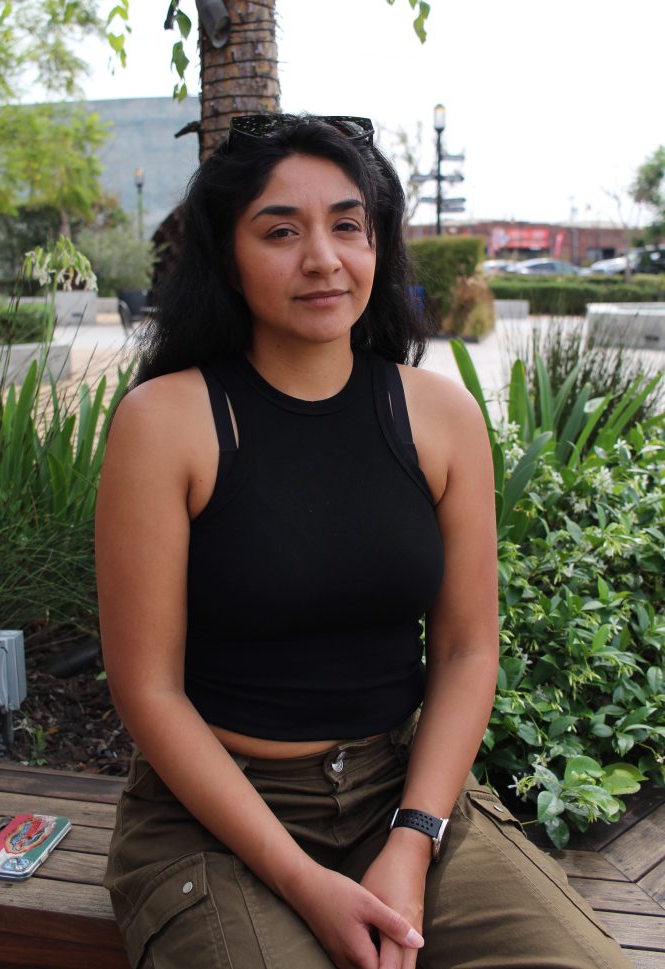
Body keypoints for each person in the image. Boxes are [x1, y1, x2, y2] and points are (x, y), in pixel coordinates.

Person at [96, 113, 632, 969]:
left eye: (348, 225)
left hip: (403, 796)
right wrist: (306, 880)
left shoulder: (441, 416)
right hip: (218, 819)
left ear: (378, 243)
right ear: (228, 259)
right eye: (280, 231)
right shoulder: (165, 423)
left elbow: (464, 649)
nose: (323, 256)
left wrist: (414, 839)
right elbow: (149, 690)